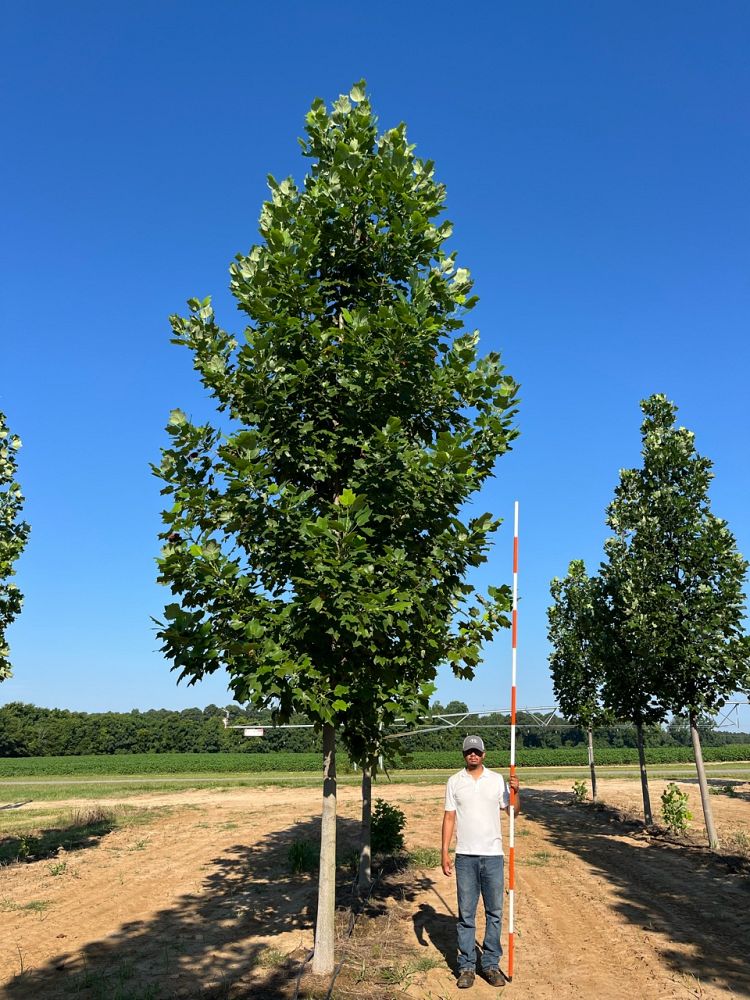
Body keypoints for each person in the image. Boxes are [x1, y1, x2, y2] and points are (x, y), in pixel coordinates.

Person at [441, 735, 521, 989]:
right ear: (464, 755)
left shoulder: (497, 780)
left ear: (484, 754)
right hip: (465, 857)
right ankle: (466, 966)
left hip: (493, 856)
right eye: (468, 752)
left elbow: (513, 812)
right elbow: (449, 818)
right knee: (466, 915)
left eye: (477, 751)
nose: (472, 755)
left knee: (494, 912)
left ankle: (490, 964)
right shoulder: (454, 782)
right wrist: (444, 851)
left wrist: (516, 792)